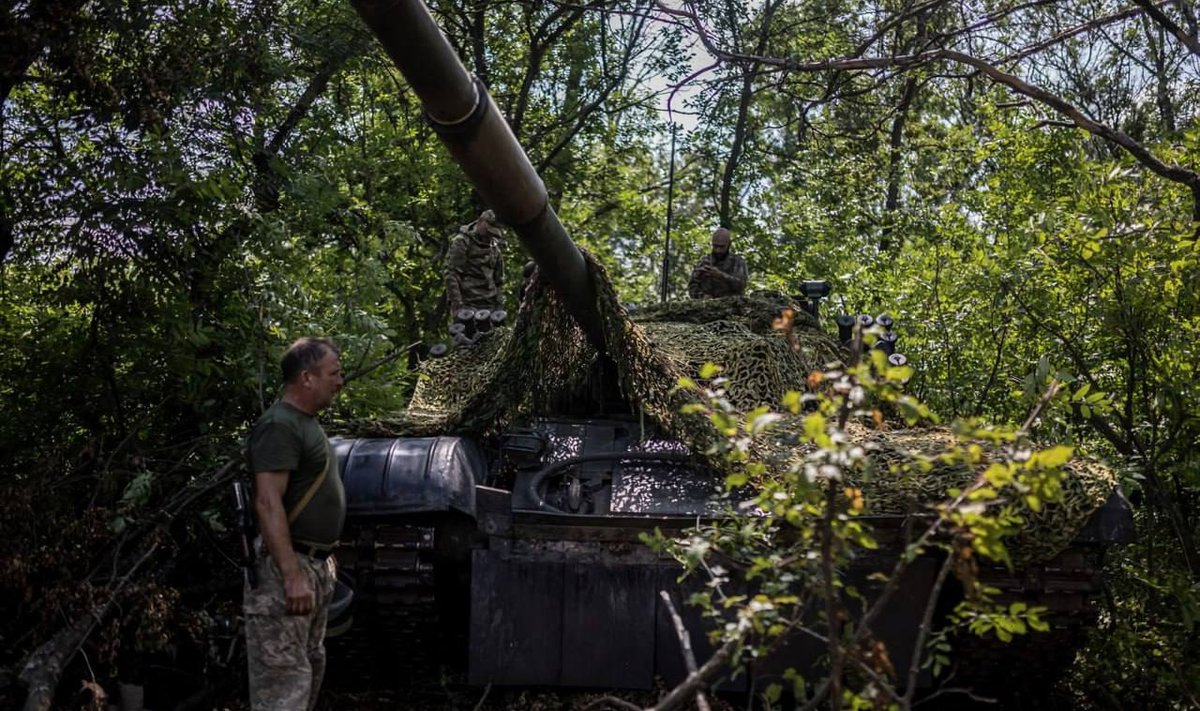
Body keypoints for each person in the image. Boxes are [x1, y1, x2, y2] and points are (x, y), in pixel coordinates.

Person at [244, 337, 346, 711]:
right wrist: (291, 574)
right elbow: (267, 502)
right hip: (286, 569)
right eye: (333, 373)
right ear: (306, 378)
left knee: (305, 674)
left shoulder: (304, 424)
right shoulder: (280, 425)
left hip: (312, 565)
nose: (340, 381)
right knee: (282, 685)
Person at [445, 208, 504, 316]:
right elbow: (452, 275)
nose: (490, 236)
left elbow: (498, 280)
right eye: (488, 231)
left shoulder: (494, 248)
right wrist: (458, 306)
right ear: (480, 223)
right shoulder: (462, 242)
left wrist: (499, 304)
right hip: (468, 305)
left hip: (490, 305)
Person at [688, 226, 748, 299]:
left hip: (731, 306)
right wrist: (702, 296)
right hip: (706, 306)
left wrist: (720, 275)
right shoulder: (704, 261)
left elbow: (741, 285)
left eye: (722, 247)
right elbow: (692, 286)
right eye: (715, 246)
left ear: (729, 244)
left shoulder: (737, 262)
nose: (718, 250)